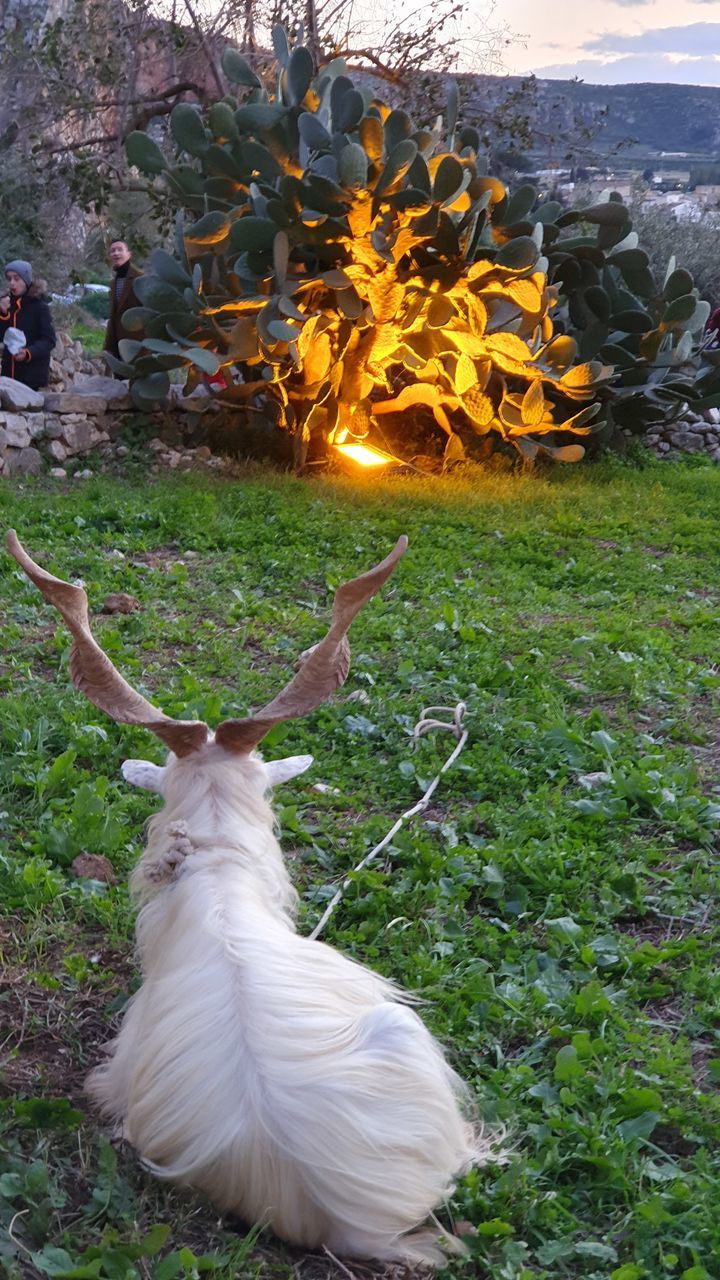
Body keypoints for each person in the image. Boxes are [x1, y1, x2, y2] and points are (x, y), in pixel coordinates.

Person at [0, 259, 56, 389]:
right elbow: (2, 336)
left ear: (26, 281)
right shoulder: (6, 304)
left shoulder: (40, 308)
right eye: (9, 279)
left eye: (17, 279)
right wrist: (3, 314)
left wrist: (28, 353)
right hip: (8, 377)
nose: (12, 283)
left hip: (32, 379)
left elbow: (49, 341)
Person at [104, 239, 144, 359]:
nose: (116, 253)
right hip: (117, 345)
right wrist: (108, 346)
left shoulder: (141, 279)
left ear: (129, 254)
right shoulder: (113, 283)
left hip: (137, 345)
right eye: (113, 251)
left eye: (120, 250)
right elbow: (114, 315)